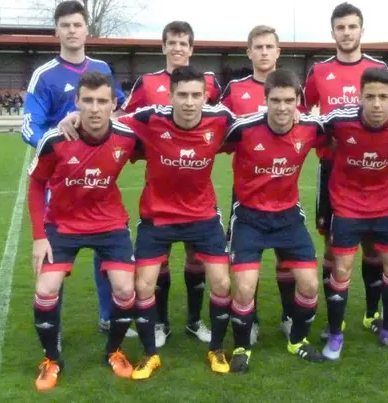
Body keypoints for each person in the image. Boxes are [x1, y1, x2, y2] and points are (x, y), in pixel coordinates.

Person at [60, 66, 236, 377]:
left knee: (222, 282)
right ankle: (150, 354)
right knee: (142, 286)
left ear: (205, 97)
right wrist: (74, 117)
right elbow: (106, 122)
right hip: (158, 215)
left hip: (203, 214)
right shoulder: (149, 118)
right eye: (182, 94)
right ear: (170, 96)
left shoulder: (221, 119)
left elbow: (255, 127)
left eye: (196, 95)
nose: (189, 101)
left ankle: (216, 350)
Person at [20, 0, 129, 338]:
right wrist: (61, 144)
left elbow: (121, 108)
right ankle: (53, 319)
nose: (71, 31)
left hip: (98, 173)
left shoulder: (101, 68)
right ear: (57, 31)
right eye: (64, 25)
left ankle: (108, 316)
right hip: (60, 177)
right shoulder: (45, 74)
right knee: (56, 255)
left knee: (106, 250)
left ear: (86, 30)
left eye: (77, 25)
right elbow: (28, 126)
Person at [27, 72, 140, 391]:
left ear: (113, 104)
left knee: (125, 289)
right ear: (76, 102)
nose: (94, 108)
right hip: (63, 224)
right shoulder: (56, 139)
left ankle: (114, 351)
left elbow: (159, 127)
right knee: (47, 288)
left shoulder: (127, 136)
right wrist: (39, 235)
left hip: (109, 223)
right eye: (87, 101)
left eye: (102, 101)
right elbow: (36, 183)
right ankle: (51, 359)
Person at [118, 20, 221, 347]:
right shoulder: (146, 83)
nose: (178, 48)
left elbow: (221, 123)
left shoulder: (210, 83)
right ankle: (159, 322)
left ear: (191, 49)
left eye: (184, 43)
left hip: (197, 192)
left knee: (197, 260)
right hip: (160, 192)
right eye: (172, 43)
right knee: (155, 264)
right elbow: (123, 121)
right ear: (163, 46)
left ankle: (193, 320)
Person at [221, 69, 327, 372]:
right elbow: (205, 134)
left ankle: (297, 340)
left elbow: (343, 125)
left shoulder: (310, 128)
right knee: (243, 288)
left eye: (289, 100)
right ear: (265, 100)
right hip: (249, 217)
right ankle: (242, 345)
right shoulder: (242, 129)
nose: (282, 107)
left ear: (298, 102)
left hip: (288, 217)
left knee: (308, 284)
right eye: (276, 100)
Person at [304, 2, 388, 341]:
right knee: (331, 247)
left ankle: (372, 313)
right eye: (341, 27)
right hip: (332, 167)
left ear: (361, 31)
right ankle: (333, 319)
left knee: (373, 246)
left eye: (352, 27)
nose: (347, 33)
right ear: (333, 32)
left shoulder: (378, 68)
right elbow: (304, 113)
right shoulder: (319, 72)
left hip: (372, 170)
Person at [319, 67, 388, 360]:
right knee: (340, 270)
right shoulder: (338, 120)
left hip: (387, 207)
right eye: (370, 96)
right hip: (347, 207)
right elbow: (311, 128)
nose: (376, 103)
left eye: (382, 97)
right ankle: (335, 334)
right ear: (359, 97)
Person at [220, 25, 303, 341]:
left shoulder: (292, 87)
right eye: (259, 47)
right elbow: (219, 123)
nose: (264, 52)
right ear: (249, 52)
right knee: (244, 258)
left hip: (284, 189)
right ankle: (249, 319)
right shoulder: (236, 90)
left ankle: (288, 316)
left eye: (270, 46)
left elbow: (304, 121)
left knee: (287, 256)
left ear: (278, 52)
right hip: (247, 191)